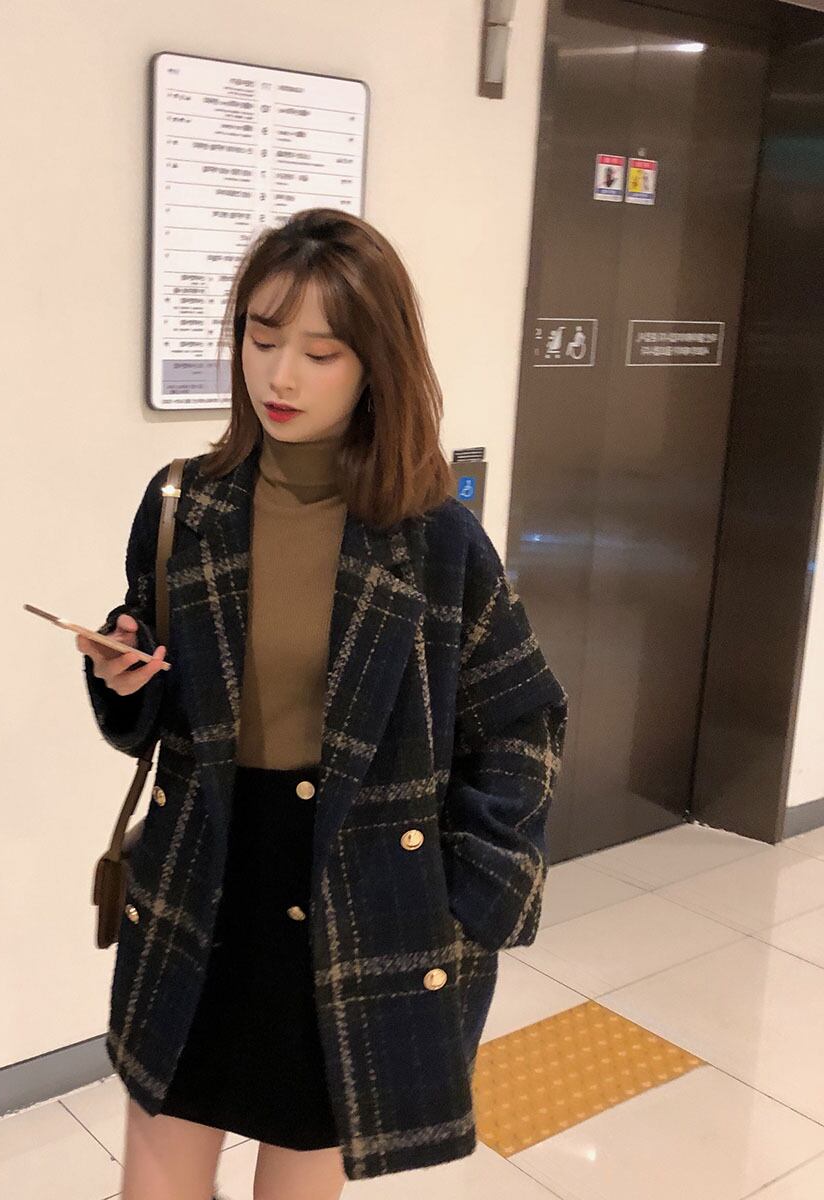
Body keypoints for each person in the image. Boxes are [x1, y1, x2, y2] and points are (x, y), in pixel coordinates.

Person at [77, 207, 568, 1200]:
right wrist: (121, 677)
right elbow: (158, 690)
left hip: (358, 894)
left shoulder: (434, 539)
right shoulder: (185, 506)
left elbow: (522, 720)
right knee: (156, 1180)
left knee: (300, 1178)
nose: (282, 377)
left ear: (376, 364)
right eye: (263, 339)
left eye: (321, 352)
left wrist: (471, 897)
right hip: (204, 874)